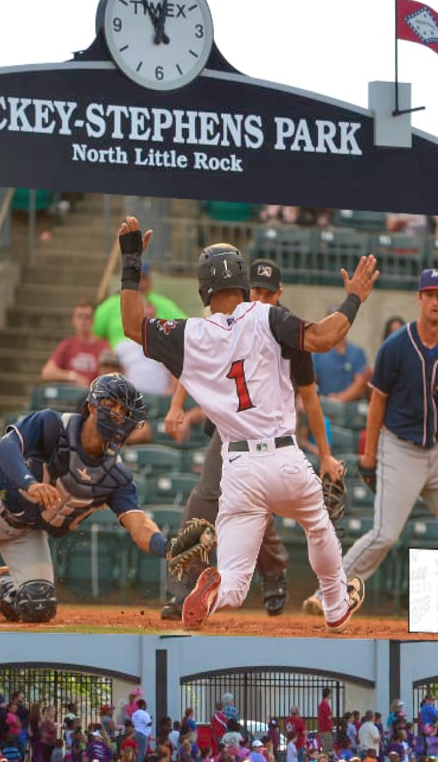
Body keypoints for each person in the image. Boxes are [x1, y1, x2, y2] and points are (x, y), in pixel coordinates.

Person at [116, 216, 374, 632]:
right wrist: (353, 300)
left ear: (204, 290)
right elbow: (325, 338)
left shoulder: (191, 333)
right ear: (242, 279)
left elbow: (131, 325)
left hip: (237, 469)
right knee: (318, 526)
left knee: (235, 577)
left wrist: (131, 261)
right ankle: (334, 603)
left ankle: (215, 592)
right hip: (284, 457)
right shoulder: (266, 315)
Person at [158, 258, 342, 620]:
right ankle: (183, 593)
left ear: (278, 295)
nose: (259, 296)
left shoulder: (286, 328)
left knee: (254, 506)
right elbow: (191, 361)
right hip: (231, 431)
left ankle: (270, 574)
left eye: (267, 292)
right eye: (254, 289)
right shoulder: (229, 321)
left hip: (270, 431)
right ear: (244, 290)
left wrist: (325, 454)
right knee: (209, 496)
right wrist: (177, 404)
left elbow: (309, 395)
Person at [304, 269, 438, 615]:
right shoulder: (396, 346)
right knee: (385, 534)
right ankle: (327, 593)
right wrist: (370, 454)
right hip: (399, 448)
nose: (434, 301)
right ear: (419, 298)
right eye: (429, 294)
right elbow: (377, 402)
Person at [0, 372, 166, 623]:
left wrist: (167, 547)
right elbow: (7, 446)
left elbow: (139, 525)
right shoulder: (52, 425)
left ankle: (2, 591)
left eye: (123, 410)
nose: (117, 414)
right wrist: (30, 483)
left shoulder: (116, 476)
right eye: (111, 405)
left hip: (26, 531)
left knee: (39, 606)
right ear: (91, 405)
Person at [92, 262, 186, 348]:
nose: (140, 284)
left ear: (150, 282)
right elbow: (92, 333)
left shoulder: (163, 304)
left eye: (144, 279)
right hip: (118, 360)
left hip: (152, 356)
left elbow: (185, 330)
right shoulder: (110, 305)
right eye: (135, 279)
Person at [40, 301, 109, 387]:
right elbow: (47, 372)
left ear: (93, 320)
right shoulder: (67, 344)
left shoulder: (104, 347)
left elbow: (110, 377)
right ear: (73, 320)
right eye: (80, 317)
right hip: (70, 395)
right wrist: (73, 376)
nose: (83, 322)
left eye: (87, 317)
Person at [311, 315, 370, 403]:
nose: (337, 327)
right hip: (325, 407)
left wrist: (339, 399)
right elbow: (309, 382)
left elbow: (360, 384)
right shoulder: (318, 353)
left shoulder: (357, 352)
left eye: (340, 323)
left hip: (351, 408)